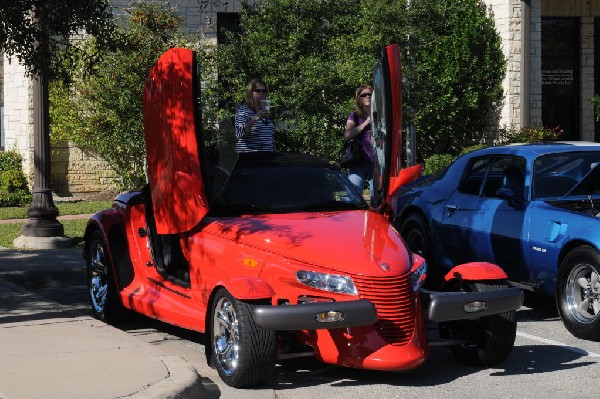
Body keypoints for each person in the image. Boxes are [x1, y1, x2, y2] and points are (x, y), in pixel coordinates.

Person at [343, 84, 374, 200]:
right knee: (352, 197)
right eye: (363, 95)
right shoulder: (354, 116)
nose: (367, 96)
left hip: (378, 163)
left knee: (378, 199)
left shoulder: (381, 114)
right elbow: (347, 135)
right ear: (359, 99)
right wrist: (366, 123)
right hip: (358, 162)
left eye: (369, 94)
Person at [234, 78, 276, 152]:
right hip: (250, 158)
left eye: (264, 91)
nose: (261, 93)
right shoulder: (243, 111)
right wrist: (255, 118)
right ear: (251, 92)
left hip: (268, 158)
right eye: (258, 90)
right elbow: (238, 134)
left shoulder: (265, 111)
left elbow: (269, 137)